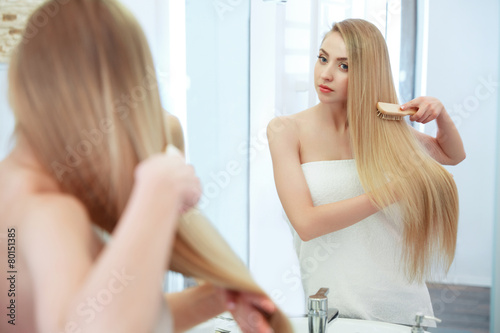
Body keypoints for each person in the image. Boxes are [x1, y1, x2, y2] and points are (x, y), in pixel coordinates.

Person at [0, 0, 291, 332]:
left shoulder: (14, 187)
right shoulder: (52, 212)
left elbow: (115, 316)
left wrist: (215, 298)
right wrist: (158, 190)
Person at [268, 18, 465, 326]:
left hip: (402, 308)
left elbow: (451, 154)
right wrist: (392, 191)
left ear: (367, 73)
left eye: (344, 66)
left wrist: (440, 113)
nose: (326, 74)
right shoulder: (286, 131)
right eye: (323, 58)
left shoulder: (384, 128)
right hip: (334, 311)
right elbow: (306, 223)